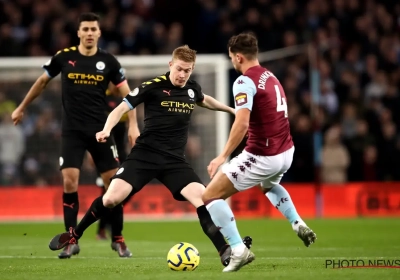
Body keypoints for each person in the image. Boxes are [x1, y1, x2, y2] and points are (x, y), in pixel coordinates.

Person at [48, 44, 252, 266]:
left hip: (174, 161)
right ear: (171, 65)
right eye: (180, 69)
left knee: (205, 199)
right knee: (111, 198)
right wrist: (106, 130)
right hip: (144, 156)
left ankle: (226, 250)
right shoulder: (152, 86)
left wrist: (231, 110)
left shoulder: (192, 88)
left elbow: (204, 99)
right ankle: (74, 235)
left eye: (188, 70)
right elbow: (121, 108)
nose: (183, 75)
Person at [11, 13, 140, 259]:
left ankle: (118, 238)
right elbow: (41, 82)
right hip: (71, 132)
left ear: (99, 33)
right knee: (70, 182)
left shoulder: (109, 62)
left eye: (94, 29)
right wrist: (22, 106)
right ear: (79, 33)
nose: (90, 33)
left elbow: (128, 96)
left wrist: (133, 125)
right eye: (86, 29)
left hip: (101, 131)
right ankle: (71, 239)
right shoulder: (64, 57)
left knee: (115, 185)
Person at [202, 33, 317, 272]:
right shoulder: (270, 76)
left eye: (232, 57)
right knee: (267, 186)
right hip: (286, 151)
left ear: (239, 57)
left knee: (210, 196)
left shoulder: (244, 81)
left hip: (263, 155)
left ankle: (238, 249)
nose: (232, 61)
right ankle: (297, 222)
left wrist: (223, 156)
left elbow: (242, 123)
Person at [96, 83, 129, 240]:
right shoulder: (104, 97)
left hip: (121, 151)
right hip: (107, 149)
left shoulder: (125, 98)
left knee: (127, 190)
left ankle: (108, 221)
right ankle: (102, 228)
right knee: (108, 191)